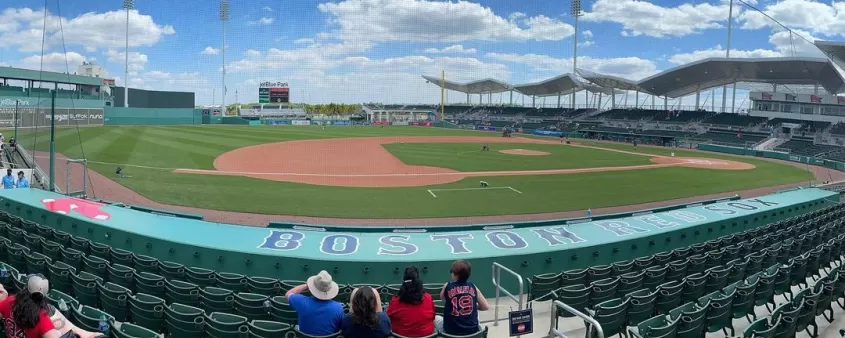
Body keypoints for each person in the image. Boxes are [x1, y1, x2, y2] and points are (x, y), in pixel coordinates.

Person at [437, 260, 489, 335]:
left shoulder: (447, 286)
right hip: (472, 333)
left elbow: (442, 298)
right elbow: (485, 307)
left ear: (456, 275)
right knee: (476, 315)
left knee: (435, 319)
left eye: (452, 271)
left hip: (451, 333)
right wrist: (474, 306)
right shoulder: (473, 286)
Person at [285, 270, 344, 336]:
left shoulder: (301, 302)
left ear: (312, 287)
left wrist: (307, 285)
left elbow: (288, 293)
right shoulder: (338, 308)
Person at [387, 266, 435, 337]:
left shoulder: (395, 300)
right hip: (426, 334)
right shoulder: (428, 298)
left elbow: (389, 316)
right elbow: (432, 317)